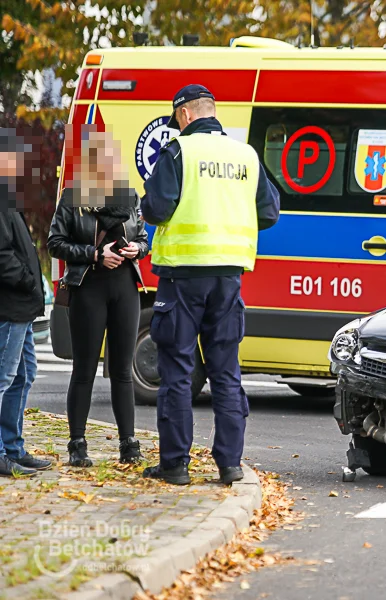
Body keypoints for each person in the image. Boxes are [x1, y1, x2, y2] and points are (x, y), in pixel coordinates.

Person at [140, 84, 279, 485]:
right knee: (225, 372)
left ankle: (176, 465)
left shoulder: (179, 152)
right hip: (228, 279)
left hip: (184, 277)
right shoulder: (246, 155)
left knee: (179, 372)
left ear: (184, 115)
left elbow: (157, 208)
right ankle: (230, 464)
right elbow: (268, 213)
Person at [48, 129, 149, 467]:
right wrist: (94, 254)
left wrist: (138, 249)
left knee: (121, 370)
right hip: (88, 287)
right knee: (84, 370)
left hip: (125, 289)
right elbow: (55, 243)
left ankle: (128, 443)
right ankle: (77, 444)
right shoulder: (73, 197)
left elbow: (145, 238)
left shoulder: (129, 197)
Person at [0, 128, 51, 477]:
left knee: (24, 374)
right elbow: (3, 256)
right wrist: (29, 281)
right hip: (10, 305)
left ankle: (13, 448)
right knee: (3, 378)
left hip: (23, 306)